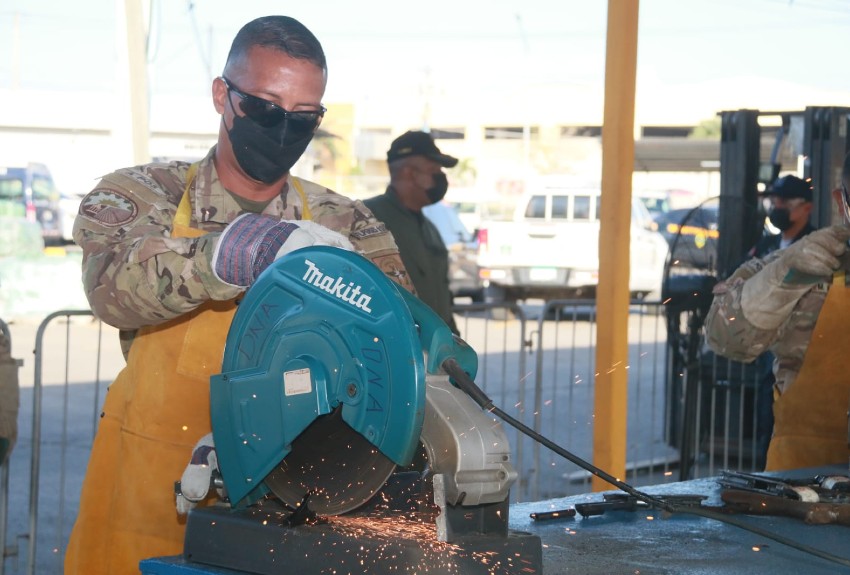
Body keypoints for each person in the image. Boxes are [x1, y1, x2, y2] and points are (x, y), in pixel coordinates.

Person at [64, 16, 412, 575]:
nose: (283, 128)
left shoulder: (346, 222)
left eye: (304, 117)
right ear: (223, 95)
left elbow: (400, 344)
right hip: (157, 482)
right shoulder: (141, 193)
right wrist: (234, 253)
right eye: (267, 107)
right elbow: (111, 291)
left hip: (296, 482)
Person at [705, 154, 850, 472]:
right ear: (843, 202)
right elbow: (723, 335)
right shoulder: (812, 260)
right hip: (807, 489)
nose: (777, 206)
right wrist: (781, 279)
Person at [747, 175, 816, 469]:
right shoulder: (766, 244)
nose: (778, 207)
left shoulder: (816, 248)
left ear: (806, 208)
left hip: (800, 351)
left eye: (785, 202)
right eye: (774, 201)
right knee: (766, 420)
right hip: (766, 349)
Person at [364, 130, 459, 334]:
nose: (441, 177)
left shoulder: (429, 228)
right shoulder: (364, 219)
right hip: (394, 352)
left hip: (434, 356)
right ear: (409, 173)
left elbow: (442, 298)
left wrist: (454, 345)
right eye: (434, 169)